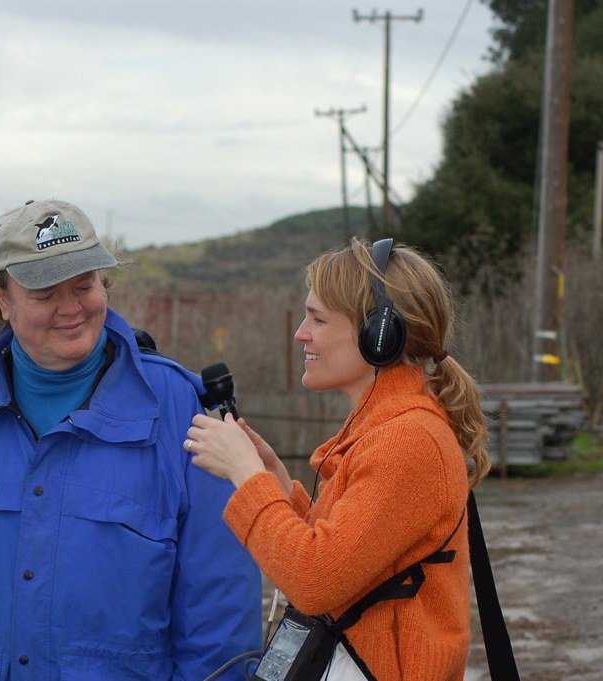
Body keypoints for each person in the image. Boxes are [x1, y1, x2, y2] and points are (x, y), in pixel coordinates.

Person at [0, 198, 262, 680]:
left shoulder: (180, 415)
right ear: (2, 297)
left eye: (84, 285)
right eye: (45, 293)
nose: (72, 308)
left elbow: (219, 617)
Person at [184, 237, 492, 680]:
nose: (301, 333)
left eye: (318, 319)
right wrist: (275, 482)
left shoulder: (407, 441)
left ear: (378, 336)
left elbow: (316, 581)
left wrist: (247, 477)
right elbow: (356, 559)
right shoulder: (386, 428)